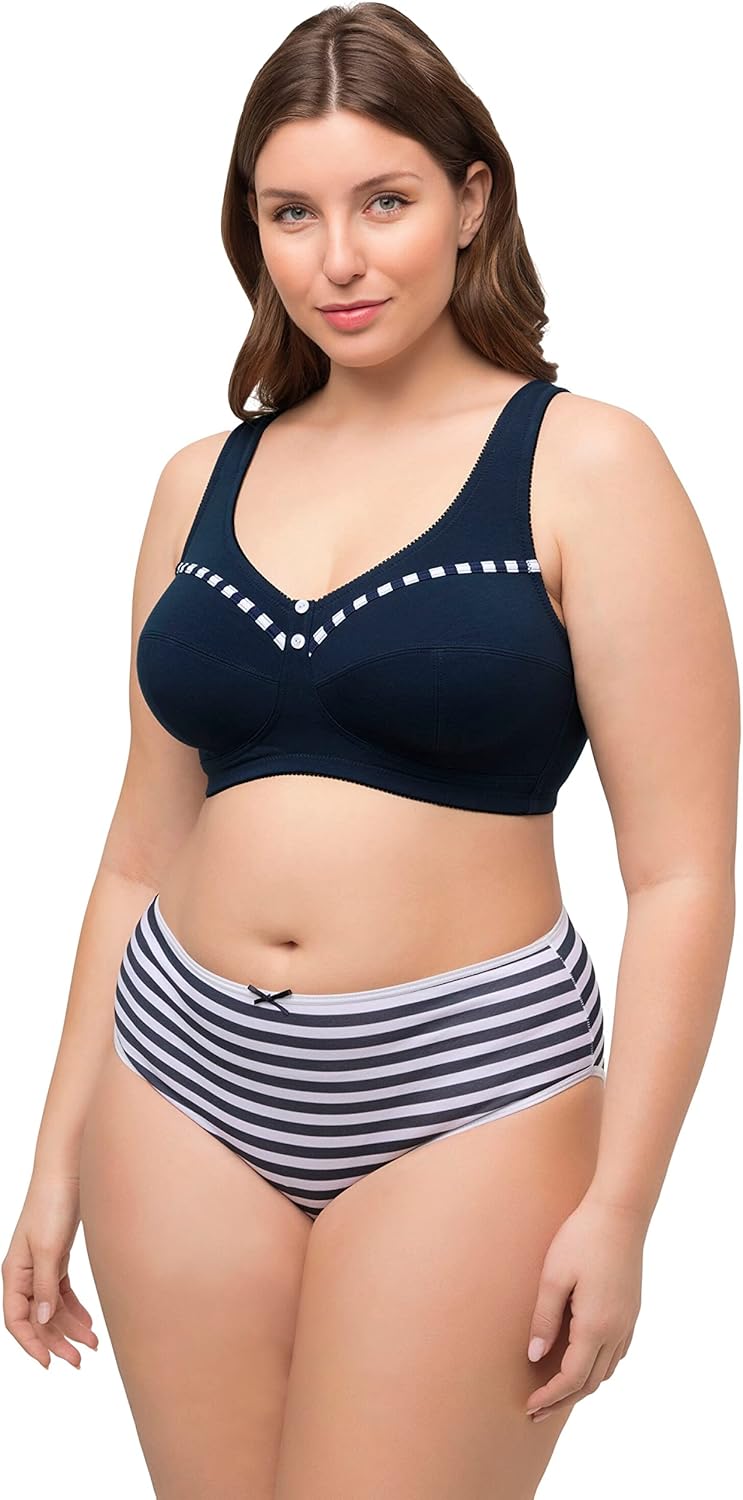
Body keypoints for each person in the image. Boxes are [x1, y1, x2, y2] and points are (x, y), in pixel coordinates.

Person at [3, 4, 738, 1498]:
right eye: (293, 212)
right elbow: (140, 846)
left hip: (471, 1092)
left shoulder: (589, 463)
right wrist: (54, 1146)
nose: (337, 258)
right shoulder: (197, 483)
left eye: (383, 202)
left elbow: (680, 871)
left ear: (472, 200)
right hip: (178, 1075)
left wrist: (624, 1207)